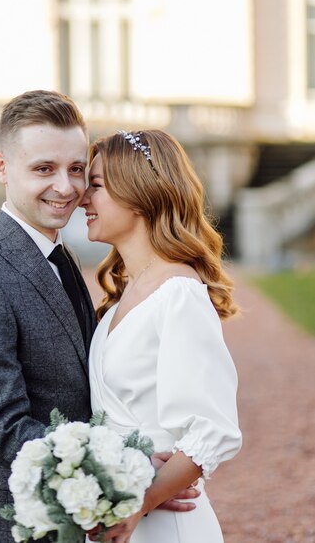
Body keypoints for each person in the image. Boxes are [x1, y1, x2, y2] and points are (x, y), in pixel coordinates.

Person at [0, 91, 198, 543]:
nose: (66, 187)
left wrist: (145, 485)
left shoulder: (61, 255)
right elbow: (4, 429)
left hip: (81, 517)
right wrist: (127, 473)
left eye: (76, 169)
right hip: (16, 522)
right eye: (43, 169)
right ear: (1, 166)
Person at [81, 129, 242, 543]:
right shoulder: (119, 300)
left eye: (96, 186)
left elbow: (212, 429)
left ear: (137, 194)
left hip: (163, 525)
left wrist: (141, 501)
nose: (83, 198)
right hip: (113, 513)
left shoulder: (180, 295)